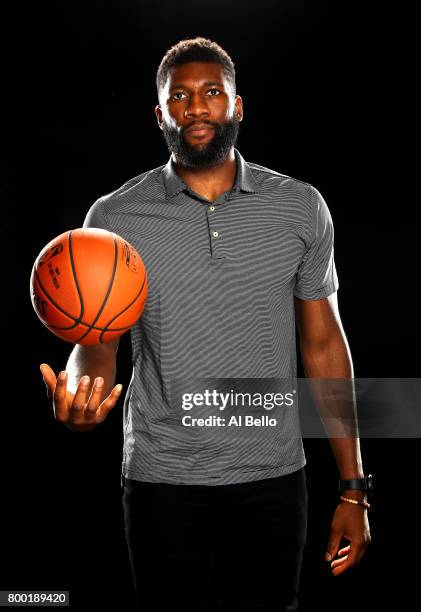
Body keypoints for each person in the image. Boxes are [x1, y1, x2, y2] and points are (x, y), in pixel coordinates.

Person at [40, 37, 371, 611]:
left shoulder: (300, 207)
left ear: (237, 107)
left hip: (272, 475)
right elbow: (96, 341)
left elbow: (323, 348)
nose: (197, 106)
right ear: (160, 114)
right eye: (180, 96)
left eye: (212, 92)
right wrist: (81, 391)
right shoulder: (114, 217)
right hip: (162, 477)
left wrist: (354, 488)